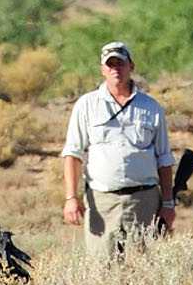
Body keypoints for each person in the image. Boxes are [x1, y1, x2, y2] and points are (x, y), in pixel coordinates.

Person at [62, 41, 176, 254]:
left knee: (143, 268)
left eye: (120, 63)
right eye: (110, 64)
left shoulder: (151, 107)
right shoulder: (87, 105)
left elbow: (164, 158)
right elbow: (72, 154)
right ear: (102, 70)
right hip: (102, 202)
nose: (116, 69)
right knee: (101, 268)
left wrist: (168, 203)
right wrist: (71, 198)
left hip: (144, 201)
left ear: (131, 66)